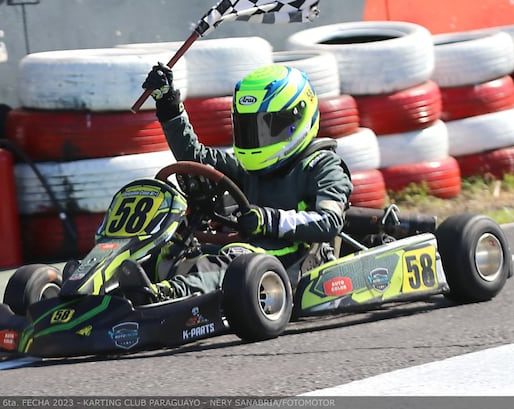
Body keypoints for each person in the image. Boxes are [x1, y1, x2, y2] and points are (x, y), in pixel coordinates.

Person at [118, 62, 354, 304]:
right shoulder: (248, 169)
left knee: (229, 264)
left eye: (265, 127)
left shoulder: (322, 165)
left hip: (294, 260)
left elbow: (330, 221)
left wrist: (268, 220)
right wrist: (168, 104)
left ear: (297, 117)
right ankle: (113, 291)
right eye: (248, 128)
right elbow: (194, 156)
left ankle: (168, 295)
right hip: (248, 253)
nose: (255, 138)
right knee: (169, 252)